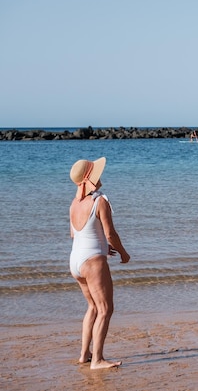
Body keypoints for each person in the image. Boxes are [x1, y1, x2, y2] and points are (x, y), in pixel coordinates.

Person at [68, 157, 131, 369]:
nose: (100, 176)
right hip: (93, 261)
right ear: (90, 178)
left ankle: (84, 354)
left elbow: (74, 234)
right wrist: (123, 253)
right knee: (105, 309)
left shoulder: (74, 204)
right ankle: (97, 360)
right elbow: (110, 234)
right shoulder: (99, 201)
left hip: (76, 260)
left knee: (93, 307)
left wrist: (102, 247)